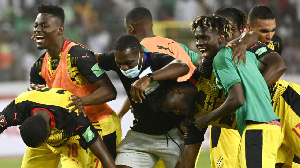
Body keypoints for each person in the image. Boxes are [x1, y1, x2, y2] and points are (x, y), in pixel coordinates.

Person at [29, 4, 121, 168]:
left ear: (59, 29)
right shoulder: (38, 66)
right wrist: (34, 95)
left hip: (99, 126)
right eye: (36, 25)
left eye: (44, 25)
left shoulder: (78, 56)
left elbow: (110, 91)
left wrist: (82, 101)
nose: (37, 29)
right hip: (70, 129)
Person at [191, 15, 283, 168]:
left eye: (205, 38)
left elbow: (237, 99)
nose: (199, 43)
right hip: (270, 129)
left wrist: (206, 118)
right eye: (197, 38)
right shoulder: (245, 54)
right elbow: (261, 68)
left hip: (257, 130)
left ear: (221, 37)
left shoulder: (220, 59)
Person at [97, 34, 189, 168]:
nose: (124, 68)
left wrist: (149, 77)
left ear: (141, 53)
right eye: (119, 64)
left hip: (173, 133)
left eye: (129, 63)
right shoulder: (118, 57)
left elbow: (182, 67)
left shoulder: (156, 59)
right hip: (141, 135)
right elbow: (89, 57)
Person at [118, 7, 201, 124]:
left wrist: (121, 113)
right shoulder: (176, 44)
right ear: (151, 24)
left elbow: (140, 86)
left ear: (131, 29)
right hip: (195, 100)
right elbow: (201, 62)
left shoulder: (140, 51)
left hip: (175, 107)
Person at [0, 87, 116, 168]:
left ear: (49, 131)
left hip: (71, 140)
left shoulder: (72, 113)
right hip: (41, 136)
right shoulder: (17, 107)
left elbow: (99, 149)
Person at [246, 5, 300, 168]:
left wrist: (253, 93)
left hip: (286, 100)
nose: (269, 36)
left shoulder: (276, 42)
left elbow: (278, 67)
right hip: (266, 112)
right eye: (264, 31)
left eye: (273, 30)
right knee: (276, 162)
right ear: (249, 28)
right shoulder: (239, 47)